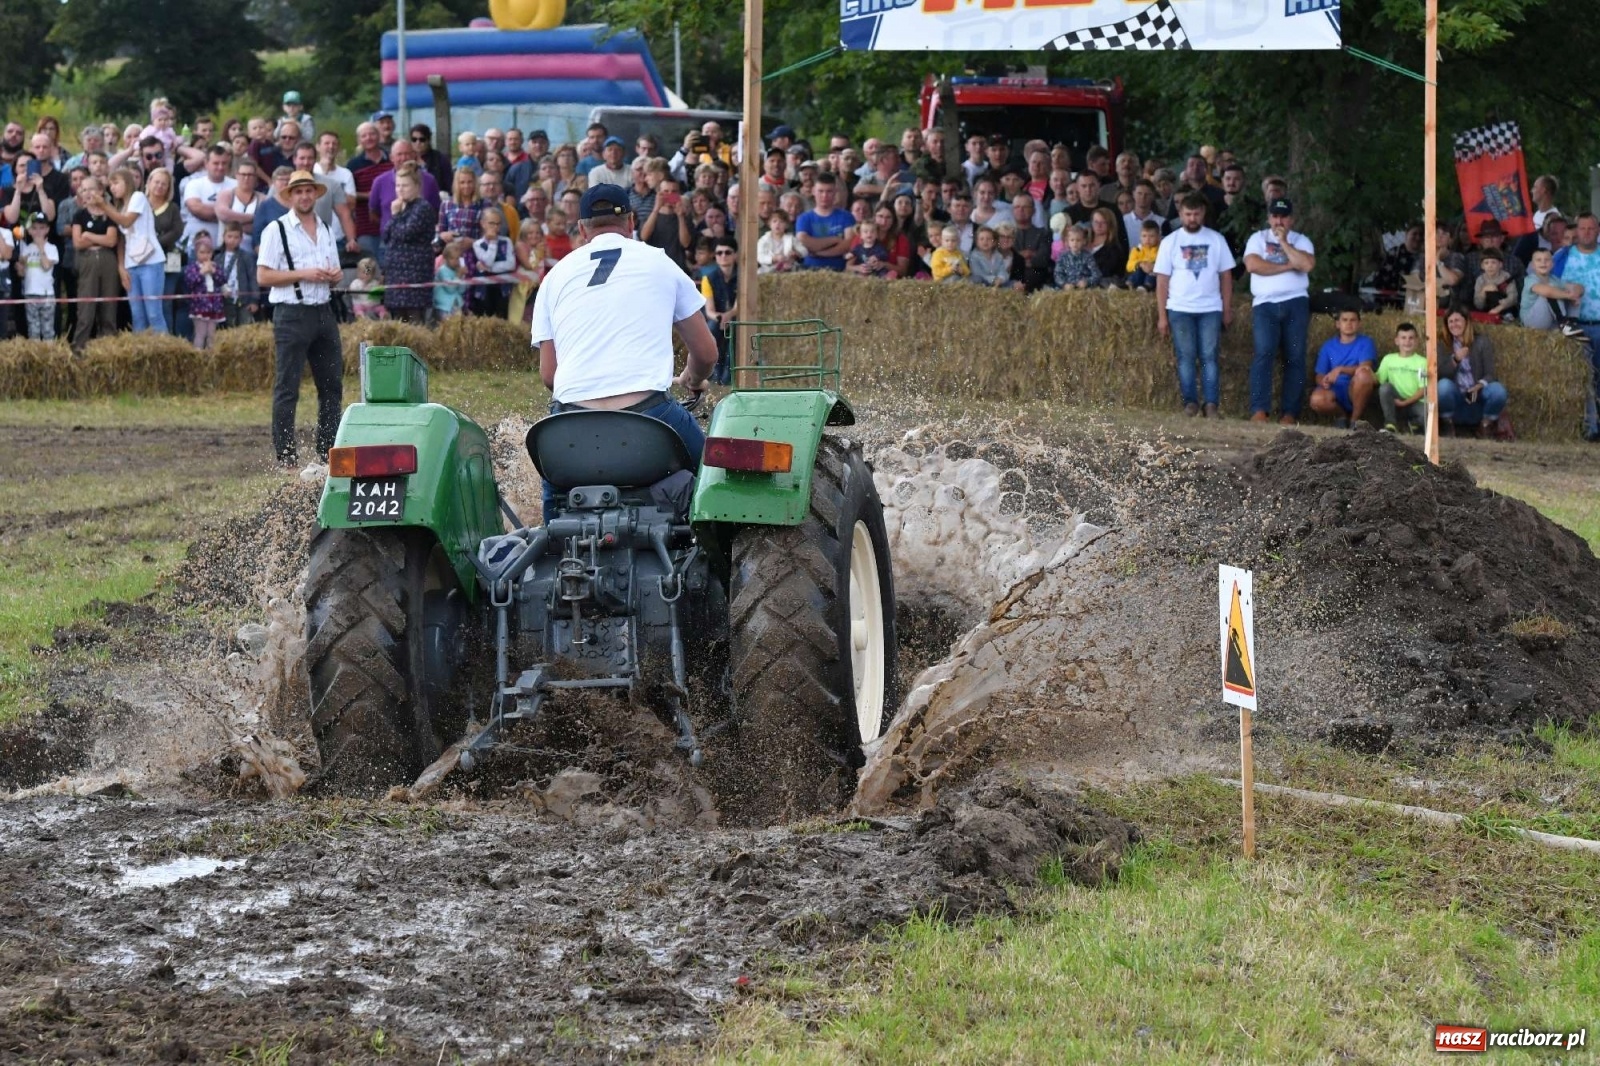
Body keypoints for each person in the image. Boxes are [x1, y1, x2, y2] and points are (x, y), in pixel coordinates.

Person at [530, 183, 719, 521]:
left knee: (553, 486)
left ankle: (552, 541)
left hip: (570, 424)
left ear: (583, 229)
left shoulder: (555, 276)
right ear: (631, 222)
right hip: (651, 420)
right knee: (714, 477)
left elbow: (549, 376)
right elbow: (706, 353)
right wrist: (693, 378)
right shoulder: (660, 262)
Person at [256, 170, 345, 465]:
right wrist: (303, 274)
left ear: (316, 195)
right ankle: (286, 455)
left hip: (323, 311)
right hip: (291, 314)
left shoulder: (327, 229)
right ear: (290, 197)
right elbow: (263, 275)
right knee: (287, 386)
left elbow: (335, 274)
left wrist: (336, 276)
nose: (305, 196)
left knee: (331, 385)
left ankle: (327, 451)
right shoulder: (276, 229)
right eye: (299, 191)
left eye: (309, 191)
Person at [1155, 194, 1236, 417]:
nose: (1192, 218)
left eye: (1196, 214)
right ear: (1180, 214)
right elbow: (1162, 281)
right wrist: (1162, 316)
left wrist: (1226, 308)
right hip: (1180, 308)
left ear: (1203, 214)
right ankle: (1190, 403)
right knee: (1186, 356)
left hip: (1210, 307)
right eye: (1188, 214)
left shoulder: (1216, 240)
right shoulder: (1169, 242)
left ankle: (1211, 404)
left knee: (1210, 356)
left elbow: (1226, 276)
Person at [1243, 198, 1316, 424]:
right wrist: (1287, 266)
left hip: (1296, 303)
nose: (1279, 220)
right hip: (1265, 304)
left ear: (1291, 219)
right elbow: (1253, 265)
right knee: (1263, 353)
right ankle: (1259, 410)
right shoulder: (1257, 239)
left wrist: (1284, 242)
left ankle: (1289, 414)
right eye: (1275, 216)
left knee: (1295, 357)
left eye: (1283, 216)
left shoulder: (1301, 240)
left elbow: (1306, 265)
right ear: (1268, 218)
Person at [102, 167, 168, 333]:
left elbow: (126, 222)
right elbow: (122, 240)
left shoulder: (138, 197)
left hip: (151, 262)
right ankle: (140, 352)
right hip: (131, 264)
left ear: (127, 182)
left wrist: (103, 205)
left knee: (153, 313)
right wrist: (121, 267)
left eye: (116, 182)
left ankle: (165, 351)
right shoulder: (121, 206)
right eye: (110, 184)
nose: (112, 187)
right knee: (137, 315)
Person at [1553, 213, 1600, 440]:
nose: (1587, 232)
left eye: (1592, 228)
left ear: (1598, 231)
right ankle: (1590, 428)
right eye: (1583, 228)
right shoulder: (1563, 256)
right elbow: (1547, 284)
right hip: (1575, 327)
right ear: (1576, 231)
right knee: (1585, 378)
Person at [381, 163, 439, 324]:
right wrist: (395, 215)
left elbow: (404, 233)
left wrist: (395, 215)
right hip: (396, 273)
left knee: (414, 320)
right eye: (398, 185)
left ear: (417, 186)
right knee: (399, 321)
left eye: (405, 185)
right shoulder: (401, 207)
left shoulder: (423, 208)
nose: (400, 189)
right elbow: (385, 235)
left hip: (414, 272)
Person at [1436, 309, 1507, 434]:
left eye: (1457, 320)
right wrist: (1455, 360)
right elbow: (1440, 374)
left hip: (1477, 395)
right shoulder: (1443, 344)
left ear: (1466, 322)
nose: (1454, 324)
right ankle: (1447, 424)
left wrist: (1478, 386)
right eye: (1450, 322)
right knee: (1443, 386)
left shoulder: (1482, 342)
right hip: (1456, 395)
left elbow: (1490, 373)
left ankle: (1485, 425)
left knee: (1498, 390)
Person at [70, 178, 120, 351]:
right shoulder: (79, 215)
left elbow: (112, 240)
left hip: (108, 260)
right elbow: (77, 243)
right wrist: (99, 240)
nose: (88, 193)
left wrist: (89, 236)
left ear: (100, 191)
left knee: (108, 305)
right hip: (87, 261)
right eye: (83, 190)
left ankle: (108, 347)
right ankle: (79, 346)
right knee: (86, 307)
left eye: (91, 189)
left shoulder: (110, 214)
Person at [1309, 308, 1378, 428]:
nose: (1349, 323)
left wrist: (1341, 369)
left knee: (1364, 375)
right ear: (1338, 324)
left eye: (1353, 320)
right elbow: (1319, 375)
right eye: (1345, 320)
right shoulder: (1328, 346)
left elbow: (1365, 367)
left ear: (1359, 323)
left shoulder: (1366, 342)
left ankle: (1355, 421)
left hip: (1355, 387)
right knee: (1316, 400)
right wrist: (1323, 381)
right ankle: (1341, 416)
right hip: (1334, 389)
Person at [145, 167, 186, 335]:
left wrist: (155, 243)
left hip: (169, 259)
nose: (160, 186)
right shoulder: (140, 205)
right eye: (157, 182)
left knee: (166, 302)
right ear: (149, 183)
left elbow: (177, 231)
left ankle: (167, 338)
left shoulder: (172, 208)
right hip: (144, 261)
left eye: (164, 184)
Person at [794, 172, 855, 271]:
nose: (824, 196)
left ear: (835, 192)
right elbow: (804, 241)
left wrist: (819, 253)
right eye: (820, 191)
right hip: (809, 271)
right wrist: (835, 239)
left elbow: (849, 244)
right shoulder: (803, 218)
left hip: (839, 272)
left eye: (829, 191)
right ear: (813, 191)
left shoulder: (846, 216)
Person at [1376, 322, 1428, 434]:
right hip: (1396, 400)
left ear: (1417, 341)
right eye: (1403, 338)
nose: (1407, 341)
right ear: (1397, 341)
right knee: (1385, 388)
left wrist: (1405, 403)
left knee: (1427, 411)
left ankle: (1412, 426)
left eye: (1411, 338)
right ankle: (1390, 424)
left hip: (1415, 402)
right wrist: (1365, 371)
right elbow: (1378, 380)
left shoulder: (1423, 362)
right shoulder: (1388, 359)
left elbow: (1423, 389)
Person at [699, 236, 739, 384]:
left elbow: (739, 306)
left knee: (735, 331)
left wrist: (728, 316)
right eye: (719, 253)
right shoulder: (708, 278)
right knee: (711, 329)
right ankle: (713, 374)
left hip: (736, 317)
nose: (723, 256)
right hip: (718, 318)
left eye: (727, 252)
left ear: (735, 255)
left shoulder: (743, 276)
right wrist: (721, 318)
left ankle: (727, 377)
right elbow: (709, 310)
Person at [1520, 247, 1583, 331]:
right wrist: (1567, 295)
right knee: (1551, 290)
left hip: (1548, 320)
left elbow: (1579, 287)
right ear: (1533, 265)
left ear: (1552, 263)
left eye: (1547, 260)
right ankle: (1564, 324)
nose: (1543, 262)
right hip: (1532, 320)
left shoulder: (1554, 279)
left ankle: (1572, 322)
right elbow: (1546, 291)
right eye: (1538, 260)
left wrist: (1575, 293)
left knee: (1571, 291)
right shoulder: (1530, 279)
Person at [18, 214, 58, 340]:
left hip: (47, 294)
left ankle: (49, 355)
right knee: (33, 329)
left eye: (41, 228)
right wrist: (20, 266)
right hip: (30, 293)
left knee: (48, 330)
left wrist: (41, 247)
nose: (38, 231)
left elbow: (46, 265)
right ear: (29, 231)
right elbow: (21, 274)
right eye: (34, 228)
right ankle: (35, 356)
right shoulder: (26, 249)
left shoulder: (52, 248)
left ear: (47, 229)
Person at [184, 231, 226, 350]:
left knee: (211, 335)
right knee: (200, 334)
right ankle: (198, 356)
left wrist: (214, 272)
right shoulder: (192, 268)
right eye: (202, 252)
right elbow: (190, 283)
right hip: (199, 307)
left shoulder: (215, 266)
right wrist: (201, 273)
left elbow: (222, 280)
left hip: (214, 306)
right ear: (196, 253)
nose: (205, 256)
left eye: (208, 252)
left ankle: (210, 357)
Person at [472, 207, 516, 318]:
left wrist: (490, 269)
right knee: (485, 317)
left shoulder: (506, 241)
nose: (495, 227)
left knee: (501, 317)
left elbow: (511, 264)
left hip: (502, 288)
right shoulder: (478, 244)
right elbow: (488, 260)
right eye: (492, 223)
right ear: (483, 224)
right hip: (484, 288)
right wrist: (492, 243)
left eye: (498, 224)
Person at [640, 177, 691, 269]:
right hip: (655, 267)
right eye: (666, 191)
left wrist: (680, 216)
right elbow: (644, 236)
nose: (669, 195)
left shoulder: (685, 217)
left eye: (674, 192)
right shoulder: (650, 216)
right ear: (659, 193)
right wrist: (656, 209)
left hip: (677, 267)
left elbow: (686, 243)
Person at [216, 222, 258, 328]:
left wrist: (254, 300)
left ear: (241, 239)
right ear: (224, 237)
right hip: (224, 301)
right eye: (229, 236)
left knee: (245, 327)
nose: (232, 240)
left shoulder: (246, 257)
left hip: (244, 300)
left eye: (236, 237)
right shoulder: (217, 257)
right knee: (226, 328)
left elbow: (253, 278)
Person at [1472, 249, 1518, 319]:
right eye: (1486, 263)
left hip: (1504, 307)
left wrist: (1498, 308)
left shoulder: (1506, 277)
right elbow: (1478, 304)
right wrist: (1484, 290)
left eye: (1493, 262)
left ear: (1500, 264)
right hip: (1487, 308)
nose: (1490, 266)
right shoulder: (1480, 280)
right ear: (1482, 266)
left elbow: (1513, 297)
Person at [1053, 224, 1100, 290]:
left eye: (1078, 240)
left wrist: (1087, 282)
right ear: (1068, 241)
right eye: (1072, 240)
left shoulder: (1088, 256)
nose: (1075, 243)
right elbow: (1057, 274)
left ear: (1084, 241)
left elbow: (1097, 274)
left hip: (1084, 289)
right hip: (1067, 289)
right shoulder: (1062, 257)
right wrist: (1064, 284)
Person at [433, 241, 468, 321]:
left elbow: (461, 290)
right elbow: (450, 289)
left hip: (456, 305)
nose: (456, 261)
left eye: (457, 258)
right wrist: (458, 275)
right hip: (444, 307)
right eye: (452, 258)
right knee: (447, 328)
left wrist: (462, 276)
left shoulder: (457, 270)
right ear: (445, 259)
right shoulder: (442, 271)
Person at [1125, 219, 1161, 292]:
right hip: (1139, 275)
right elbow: (1129, 266)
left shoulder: (1162, 250)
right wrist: (1140, 264)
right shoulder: (1136, 250)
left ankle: (1147, 286)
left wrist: (1152, 266)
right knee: (1138, 271)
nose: (1147, 239)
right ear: (1140, 237)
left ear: (1158, 237)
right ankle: (1129, 285)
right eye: (1144, 236)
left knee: (1153, 273)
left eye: (1151, 236)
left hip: (1153, 275)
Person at [758, 209, 798, 274]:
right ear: (769, 224)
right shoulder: (763, 240)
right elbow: (760, 257)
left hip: (788, 271)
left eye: (781, 222)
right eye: (774, 221)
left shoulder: (791, 238)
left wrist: (796, 253)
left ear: (787, 225)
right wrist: (773, 258)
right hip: (767, 272)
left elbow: (804, 251)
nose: (778, 224)